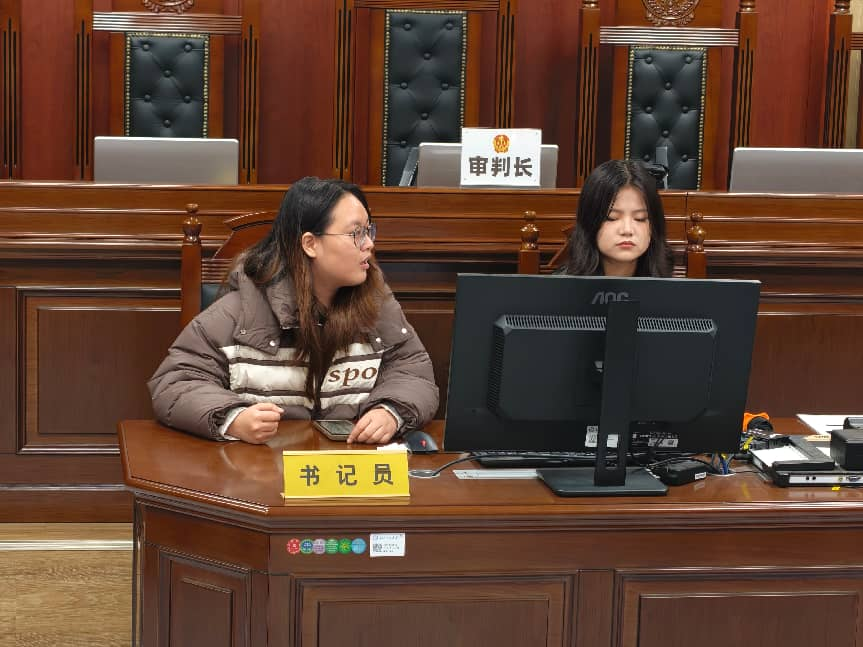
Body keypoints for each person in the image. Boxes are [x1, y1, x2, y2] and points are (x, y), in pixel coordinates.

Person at [149, 177, 439, 445]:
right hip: (261, 471)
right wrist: (233, 418)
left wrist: (391, 411)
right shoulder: (240, 311)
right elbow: (177, 382)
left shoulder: (377, 305)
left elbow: (412, 372)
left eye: (369, 230)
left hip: (350, 470)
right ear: (310, 244)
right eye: (356, 233)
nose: (369, 244)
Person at [562, 159, 672, 277]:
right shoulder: (560, 286)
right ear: (589, 221)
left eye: (640, 218)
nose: (627, 230)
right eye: (612, 218)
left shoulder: (669, 286)